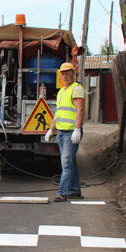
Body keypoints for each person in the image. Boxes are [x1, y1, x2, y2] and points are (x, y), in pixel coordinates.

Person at [45, 62, 85, 202]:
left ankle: (62, 192)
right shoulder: (62, 91)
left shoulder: (77, 89)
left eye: (68, 73)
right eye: (63, 74)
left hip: (70, 132)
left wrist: (78, 130)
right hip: (61, 132)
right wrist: (51, 129)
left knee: (66, 163)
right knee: (70, 162)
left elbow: (80, 109)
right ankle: (75, 191)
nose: (65, 76)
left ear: (73, 74)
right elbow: (58, 112)